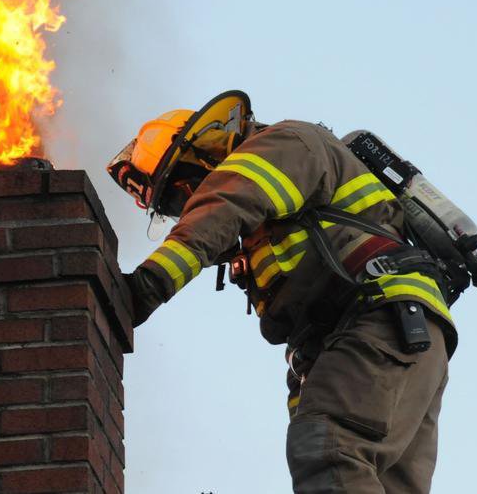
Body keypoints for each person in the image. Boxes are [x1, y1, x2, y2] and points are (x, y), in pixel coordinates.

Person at [107, 90, 454, 493]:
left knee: (329, 451)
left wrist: (140, 291)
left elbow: (221, 208)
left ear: (203, 148)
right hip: (395, 333)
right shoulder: (268, 234)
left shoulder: (283, 144)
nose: (184, 205)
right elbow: (306, 345)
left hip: (380, 319)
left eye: (177, 191)